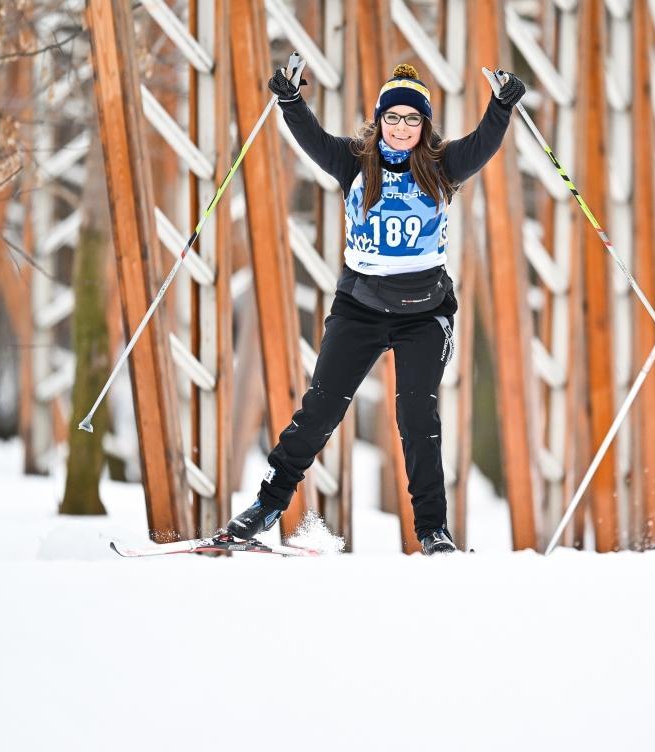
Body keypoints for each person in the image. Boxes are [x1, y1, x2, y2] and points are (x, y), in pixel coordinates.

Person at [225, 63, 525, 554]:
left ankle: (432, 530)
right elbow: (313, 138)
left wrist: (502, 105)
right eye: (393, 117)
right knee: (320, 410)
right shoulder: (354, 161)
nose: (402, 127)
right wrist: (290, 101)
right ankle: (267, 505)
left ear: (424, 125)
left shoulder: (442, 164)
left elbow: (483, 143)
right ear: (380, 118)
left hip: (424, 314)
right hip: (360, 307)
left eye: (412, 119)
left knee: (417, 418)